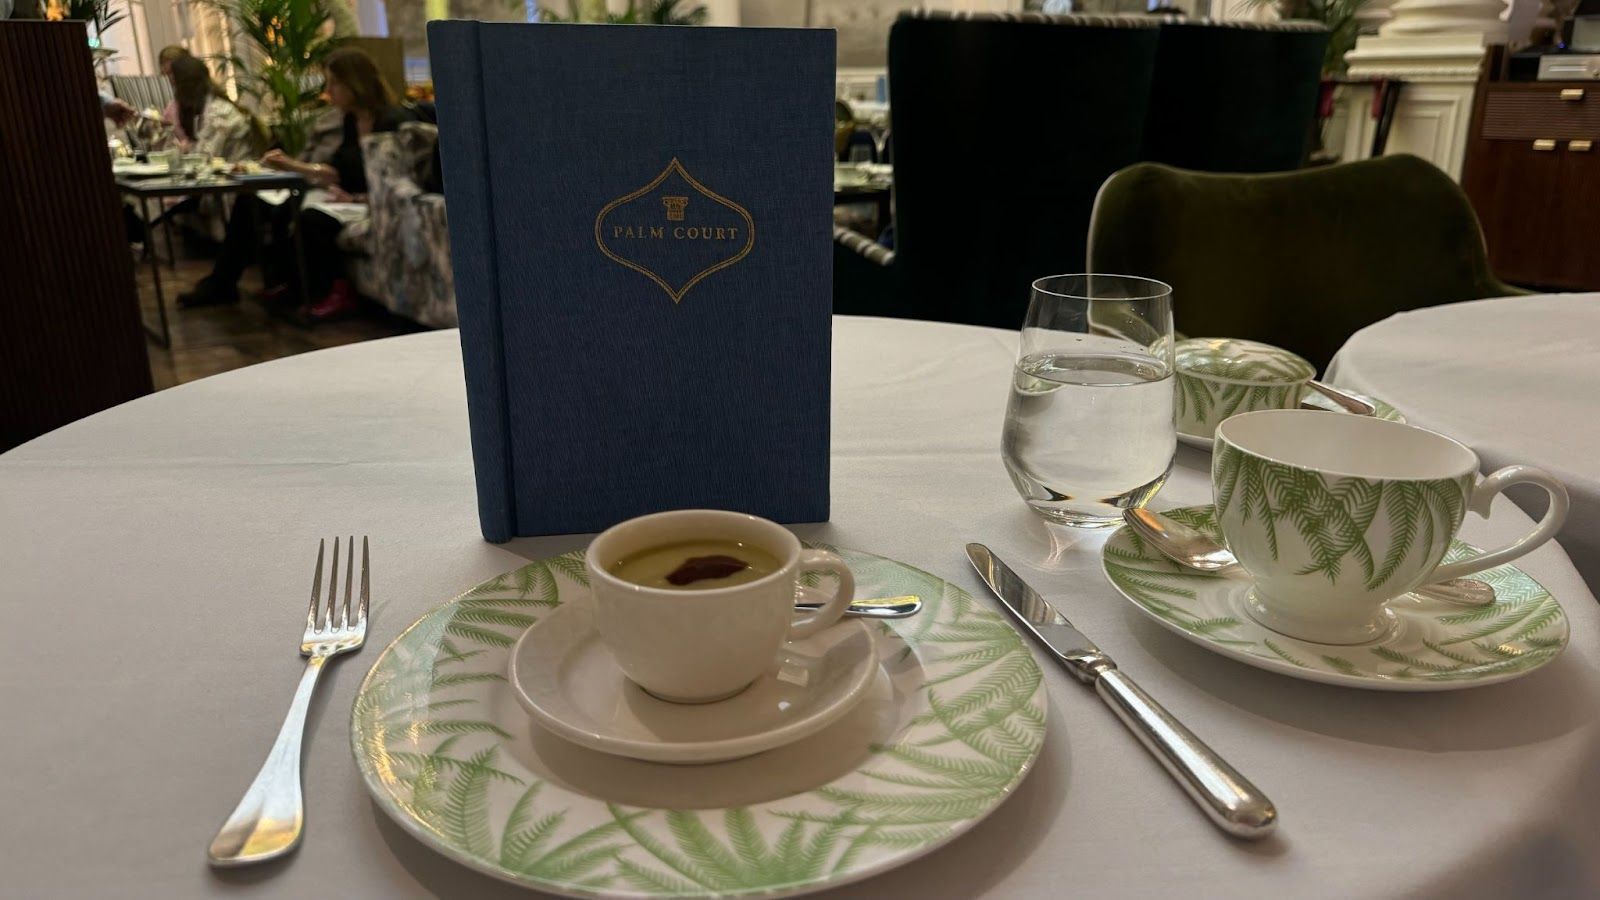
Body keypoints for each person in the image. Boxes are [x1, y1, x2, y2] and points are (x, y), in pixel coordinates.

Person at [179, 47, 415, 318]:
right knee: (254, 202)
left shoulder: (392, 121)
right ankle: (234, 282)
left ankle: (328, 292)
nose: (329, 90)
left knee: (310, 218)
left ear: (355, 82)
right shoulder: (351, 120)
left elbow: (397, 178)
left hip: (369, 200)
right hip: (340, 194)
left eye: (334, 83)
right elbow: (338, 170)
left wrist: (350, 194)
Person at [167, 56, 264, 161]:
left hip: (241, 172)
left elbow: (206, 157)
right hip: (228, 172)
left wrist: (182, 150)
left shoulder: (219, 112)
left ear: (185, 87)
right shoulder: (207, 107)